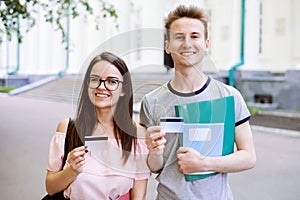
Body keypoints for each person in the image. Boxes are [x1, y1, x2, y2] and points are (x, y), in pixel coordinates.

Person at [139, 5, 256, 200]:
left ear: (206, 43)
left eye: (194, 36)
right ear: (167, 46)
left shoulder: (229, 96)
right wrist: (154, 151)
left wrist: (205, 164)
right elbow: (154, 166)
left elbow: (248, 157)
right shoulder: (151, 102)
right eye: (179, 37)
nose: (187, 43)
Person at [45, 52, 150, 200]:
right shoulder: (68, 128)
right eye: (95, 79)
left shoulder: (137, 136)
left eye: (111, 81)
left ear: (124, 89)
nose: (101, 87)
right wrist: (71, 171)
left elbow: (139, 197)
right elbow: (50, 188)